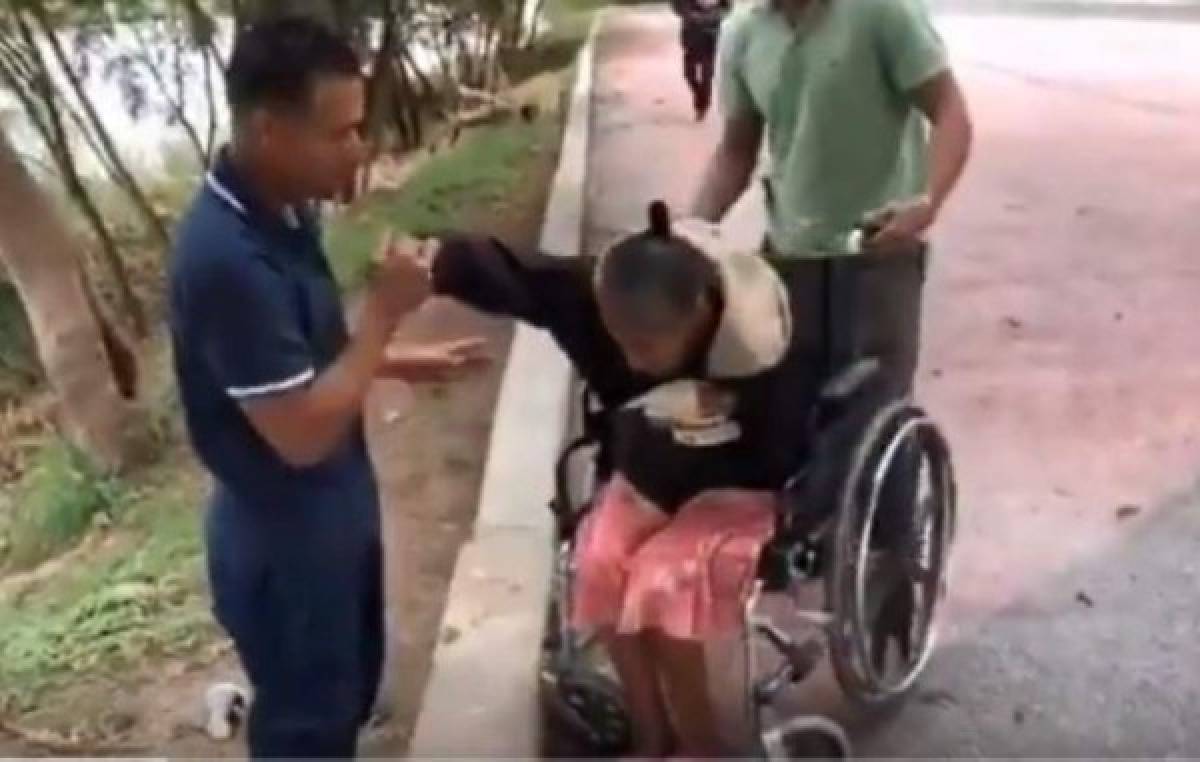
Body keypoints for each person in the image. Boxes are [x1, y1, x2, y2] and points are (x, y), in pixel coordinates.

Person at [392, 201, 825, 757]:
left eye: (644, 348)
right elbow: (519, 275)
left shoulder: (761, 340)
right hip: (653, 468)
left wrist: (718, 414)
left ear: (698, 314)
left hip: (738, 479)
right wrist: (434, 261)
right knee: (598, 562)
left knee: (661, 580)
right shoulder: (596, 297)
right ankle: (651, 733)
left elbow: (791, 446)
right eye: (618, 342)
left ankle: (703, 747)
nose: (629, 360)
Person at [168, 18, 486, 758]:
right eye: (340, 133)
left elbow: (309, 358)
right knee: (307, 727)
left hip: (333, 509)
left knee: (346, 694)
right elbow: (303, 432)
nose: (360, 147)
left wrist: (400, 359)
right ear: (272, 131)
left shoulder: (285, 210)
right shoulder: (226, 262)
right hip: (285, 536)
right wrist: (384, 313)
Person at [691, 0, 972, 625]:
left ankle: (893, 585)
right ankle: (815, 542)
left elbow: (950, 114)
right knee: (786, 405)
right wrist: (691, 227)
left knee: (876, 415)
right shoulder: (742, 33)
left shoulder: (881, 14)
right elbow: (737, 149)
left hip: (879, 254)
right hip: (790, 256)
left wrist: (925, 203)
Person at [670, 0, 732, 120]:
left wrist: (711, 17)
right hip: (691, 39)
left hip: (711, 39)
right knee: (689, 75)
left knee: (706, 76)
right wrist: (689, 15)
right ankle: (699, 95)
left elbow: (727, 9)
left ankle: (703, 106)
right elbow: (678, 7)